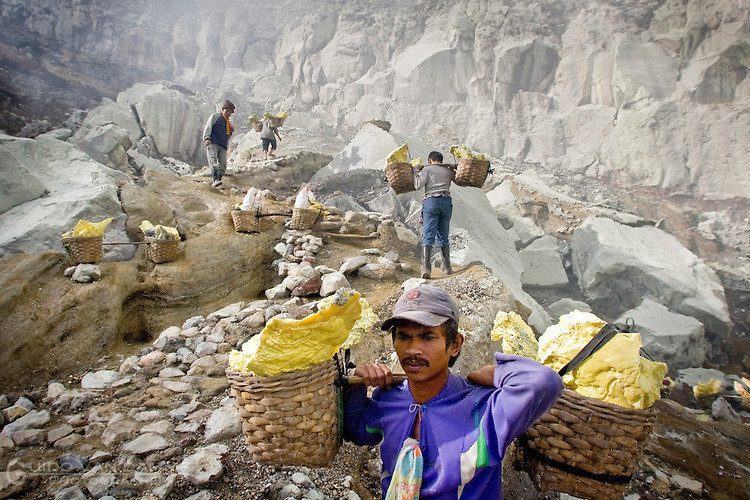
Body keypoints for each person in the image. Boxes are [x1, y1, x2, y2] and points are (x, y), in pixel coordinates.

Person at [344, 285, 563, 499]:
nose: (413, 350)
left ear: (455, 345)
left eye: (427, 337)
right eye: (403, 337)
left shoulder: (485, 411)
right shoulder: (388, 399)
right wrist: (357, 382)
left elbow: (545, 381)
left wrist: (492, 372)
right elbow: (353, 429)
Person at [414, 151, 455, 279]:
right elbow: (459, 179)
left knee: (428, 235)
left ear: (430, 160)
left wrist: (415, 171)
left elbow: (417, 185)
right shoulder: (448, 171)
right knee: (444, 235)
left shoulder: (427, 169)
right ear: (441, 161)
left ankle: (426, 268)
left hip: (432, 202)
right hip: (446, 202)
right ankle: (447, 267)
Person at [202, 100, 235, 187]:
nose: (228, 113)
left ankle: (218, 180)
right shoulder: (216, 116)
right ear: (223, 109)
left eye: (230, 112)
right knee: (214, 162)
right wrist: (206, 138)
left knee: (223, 165)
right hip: (213, 142)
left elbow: (228, 135)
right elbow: (208, 126)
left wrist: (231, 131)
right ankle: (215, 180)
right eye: (227, 111)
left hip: (223, 146)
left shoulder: (228, 123)